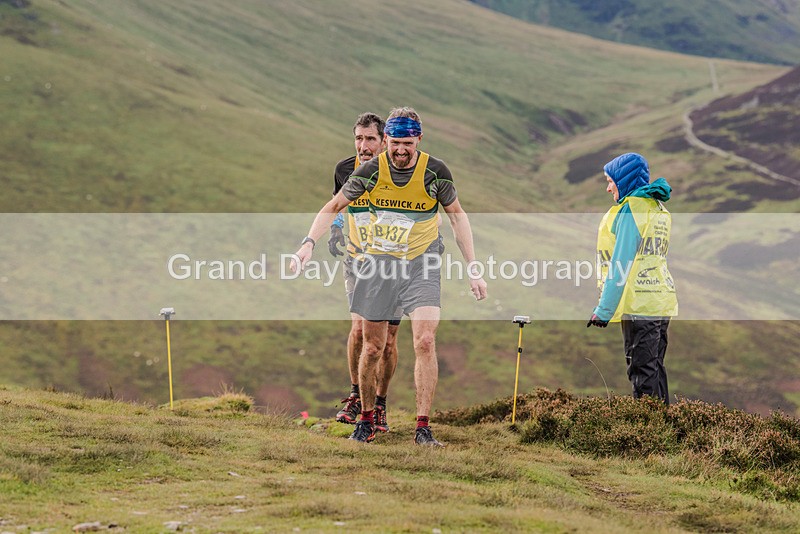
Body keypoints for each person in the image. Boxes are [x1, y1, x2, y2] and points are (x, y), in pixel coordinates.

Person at [293, 107, 487, 446]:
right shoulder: (370, 171)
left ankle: (423, 428)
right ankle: (367, 419)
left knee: (425, 340)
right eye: (395, 143)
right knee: (372, 347)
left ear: (419, 140)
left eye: (407, 144)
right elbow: (334, 206)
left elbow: (457, 217)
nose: (400, 150)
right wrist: (308, 244)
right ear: (387, 140)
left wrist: (473, 267)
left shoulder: (436, 172)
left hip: (421, 263)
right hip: (378, 264)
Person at [327, 112, 399, 433]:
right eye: (359, 138)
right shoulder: (344, 169)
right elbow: (338, 203)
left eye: (370, 139)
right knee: (358, 330)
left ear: (384, 141)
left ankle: (380, 403)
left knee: (388, 341)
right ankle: (357, 395)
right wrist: (336, 228)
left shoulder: (397, 173)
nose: (363, 145)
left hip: (392, 264)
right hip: (356, 260)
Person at [587, 152, 678, 404]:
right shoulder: (656, 207)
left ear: (624, 179)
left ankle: (647, 427)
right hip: (660, 301)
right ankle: (664, 424)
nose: (608, 188)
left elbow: (620, 264)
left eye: (610, 181)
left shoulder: (631, 210)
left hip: (639, 305)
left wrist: (604, 310)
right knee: (655, 369)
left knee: (642, 374)